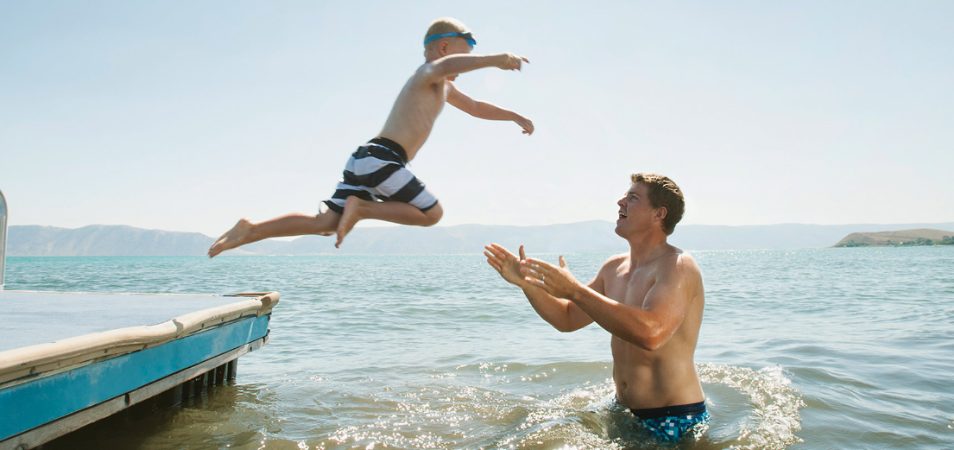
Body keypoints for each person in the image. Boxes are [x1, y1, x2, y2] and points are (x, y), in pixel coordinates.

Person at [208, 17, 533, 257]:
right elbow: (447, 68)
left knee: (326, 223)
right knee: (432, 214)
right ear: (444, 48)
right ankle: (362, 208)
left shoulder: (445, 86)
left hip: (365, 159)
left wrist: (515, 116)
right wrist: (495, 60)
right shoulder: (427, 74)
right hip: (382, 160)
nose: (460, 70)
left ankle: (250, 230)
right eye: (461, 58)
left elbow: (476, 106)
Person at [484, 173, 709, 443]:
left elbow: (652, 333)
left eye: (632, 198)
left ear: (659, 214)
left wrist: (575, 290)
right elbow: (567, 317)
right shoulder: (614, 268)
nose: (620, 202)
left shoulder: (678, 266)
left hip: (674, 417)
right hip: (622, 412)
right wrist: (527, 285)